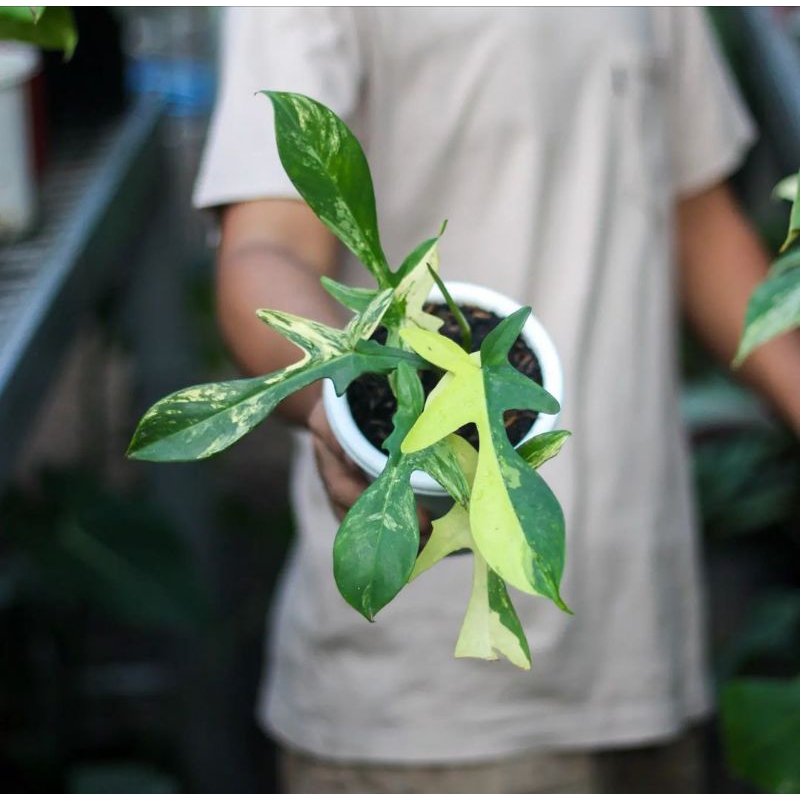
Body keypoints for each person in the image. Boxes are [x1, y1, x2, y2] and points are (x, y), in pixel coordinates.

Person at [193, 8, 800, 792]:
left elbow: (693, 211)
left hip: (645, 652)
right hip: (430, 707)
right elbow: (263, 248)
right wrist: (342, 400)